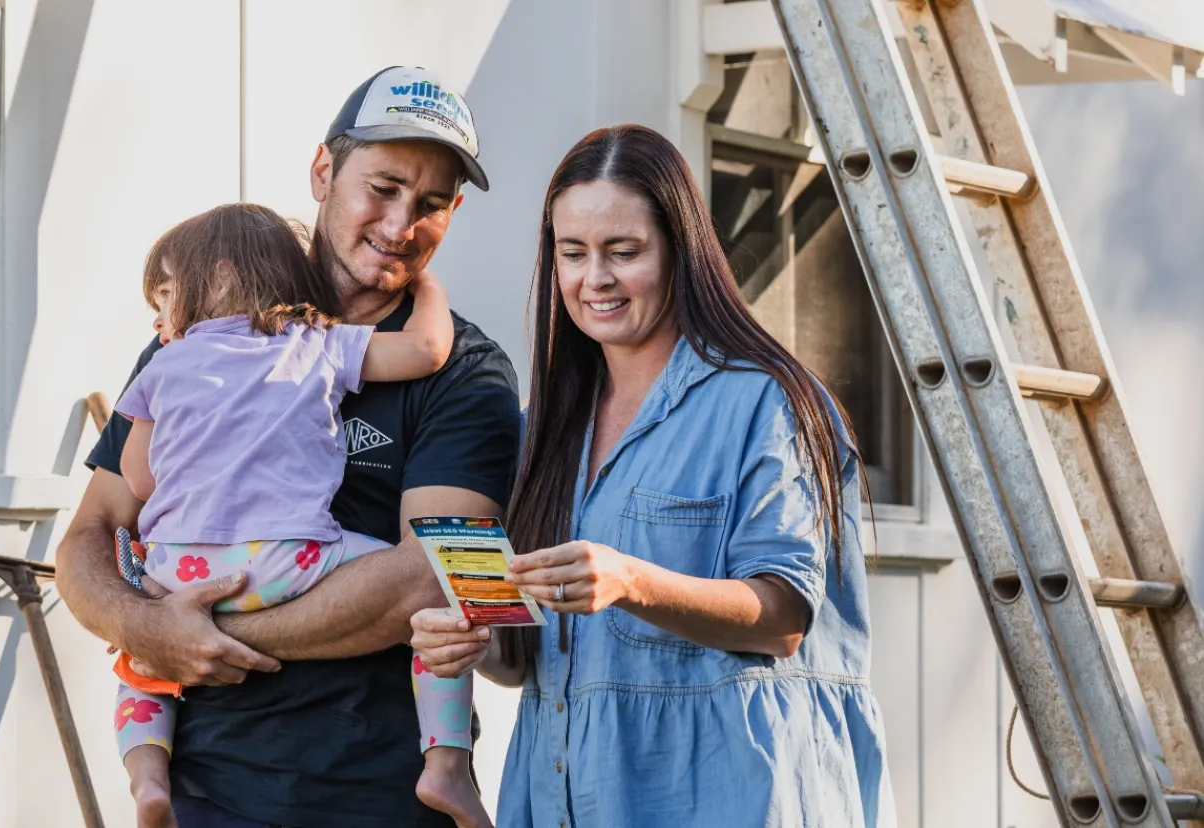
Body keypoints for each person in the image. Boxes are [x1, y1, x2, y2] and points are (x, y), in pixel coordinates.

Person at [55, 66, 521, 828]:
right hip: (206, 793)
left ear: (453, 213)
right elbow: (88, 537)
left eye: (431, 204)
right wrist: (142, 627)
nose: (401, 224)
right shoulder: (200, 338)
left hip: (379, 797)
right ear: (322, 172)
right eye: (384, 186)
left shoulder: (468, 375)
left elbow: (438, 576)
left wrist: (201, 636)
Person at [410, 124, 896, 827]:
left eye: (623, 251)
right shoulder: (539, 424)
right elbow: (526, 663)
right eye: (572, 253)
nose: (593, 278)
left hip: (733, 800)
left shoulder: (766, 401)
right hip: (561, 801)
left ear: (681, 253)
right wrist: (474, 644)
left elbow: (784, 618)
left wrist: (630, 580)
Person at [106, 202, 488, 828]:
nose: (157, 318)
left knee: (142, 663)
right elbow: (426, 348)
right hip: (291, 560)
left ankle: (147, 779)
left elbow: (141, 479)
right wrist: (429, 283)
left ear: (221, 278)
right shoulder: (314, 343)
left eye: (165, 296)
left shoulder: (164, 363)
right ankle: (445, 763)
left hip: (183, 573)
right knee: (444, 582)